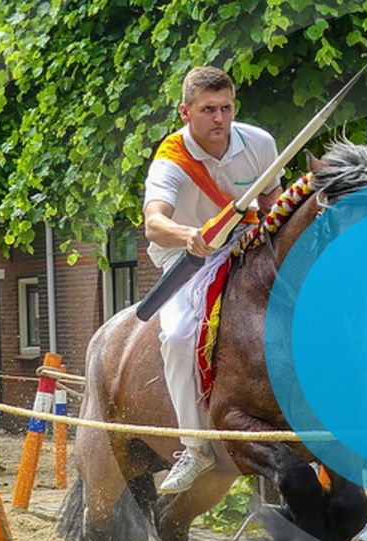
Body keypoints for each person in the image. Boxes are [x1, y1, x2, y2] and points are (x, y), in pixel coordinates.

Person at [143, 66, 282, 493]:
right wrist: (189, 235)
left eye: (225, 108)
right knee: (180, 335)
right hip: (189, 258)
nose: (219, 118)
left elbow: (273, 200)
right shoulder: (171, 160)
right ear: (186, 112)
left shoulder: (259, 142)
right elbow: (154, 224)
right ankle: (195, 446)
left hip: (246, 245)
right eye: (207, 110)